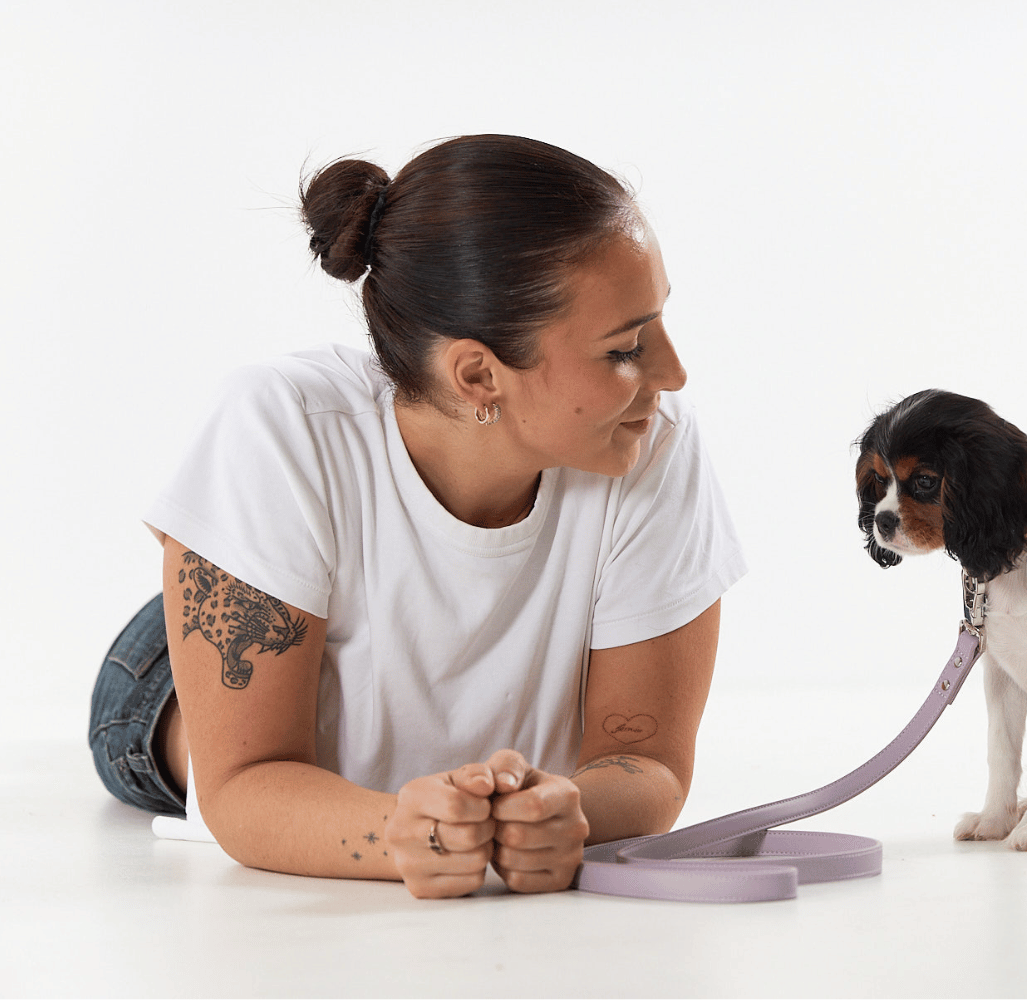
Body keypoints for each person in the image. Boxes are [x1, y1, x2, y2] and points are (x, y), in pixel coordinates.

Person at [87, 135, 746, 899]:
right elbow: (241, 786)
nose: (672, 372)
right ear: (478, 374)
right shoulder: (278, 425)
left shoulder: (648, 438)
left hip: (347, 611)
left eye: (657, 322)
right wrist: (398, 835)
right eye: (626, 348)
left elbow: (652, 764)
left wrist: (565, 812)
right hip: (188, 662)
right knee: (207, 720)